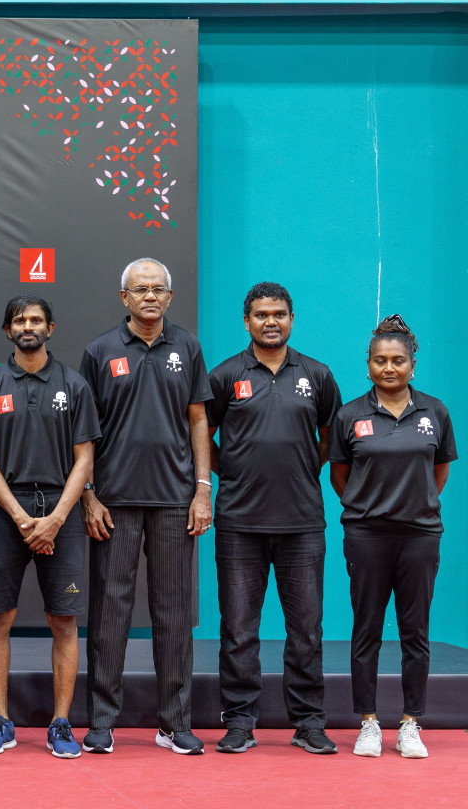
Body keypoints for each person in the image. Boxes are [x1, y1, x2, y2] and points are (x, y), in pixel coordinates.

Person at [78, 258, 212, 755]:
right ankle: (102, 722)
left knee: (174, 613)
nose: (150, 297)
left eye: (158, 289)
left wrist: (202, 488)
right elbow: (84, 434)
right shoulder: (100, 351)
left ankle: (174, 722)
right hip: (113, 501)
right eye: (140, 290)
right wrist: (89, 494)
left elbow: (199, 421)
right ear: (124, 298)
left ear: (169, 298)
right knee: (110, 611)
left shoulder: (188, 347)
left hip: (176, 500)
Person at [206, 282, 342, 755]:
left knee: (306, 631)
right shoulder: (225, 375)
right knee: (239, 629)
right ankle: (240, 722)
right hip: (239, 522)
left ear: (291, 318)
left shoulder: (318, 375)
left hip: (303, 522)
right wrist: (235, 472)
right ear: (246, 321)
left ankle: (308, 723)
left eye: (279, 313)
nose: (271, 321)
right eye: (261, 314)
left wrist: (305, 466)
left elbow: (332, 438)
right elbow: (203, 436)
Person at [0, 295, 99, 758]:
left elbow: (85, 459)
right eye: (20, 320)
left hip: (62, 510)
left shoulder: (74, 385)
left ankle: (61, 724)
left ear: (51, 327)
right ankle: (0, 721)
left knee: (64, 619)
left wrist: (58, 517)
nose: (28, 326)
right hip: (7, 513)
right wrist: (22, 518)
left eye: (37, 319)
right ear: (8, 330)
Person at [329, 315, 454, 760]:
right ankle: (367, 722)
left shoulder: (435, 412)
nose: (389, 368)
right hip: (366, 537)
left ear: (412, 365)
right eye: (380, 360)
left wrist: (412, 506)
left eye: (398, 361)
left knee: (414, 632)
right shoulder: (350, 415)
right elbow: (340, 477)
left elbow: (438, 472)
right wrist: (370, 508)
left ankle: (410, 724)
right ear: (368, 366)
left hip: (420, 536)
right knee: (367, 631)